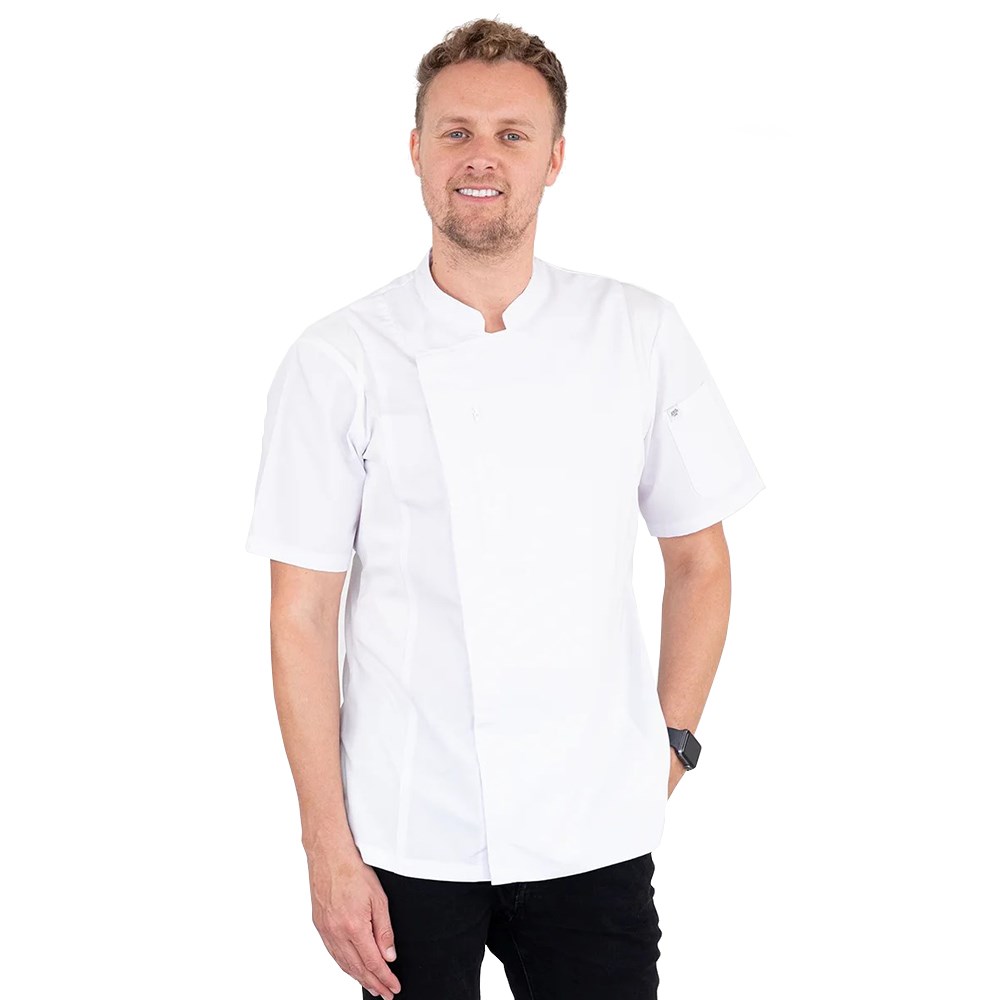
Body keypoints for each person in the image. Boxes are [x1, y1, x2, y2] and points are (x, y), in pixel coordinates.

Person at [245, 16, 765, 1000]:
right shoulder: (338, 358)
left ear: (554, 158)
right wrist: (325, 845)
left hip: (592, 831)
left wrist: (673, 745)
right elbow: (300, 612)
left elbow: (700, 557)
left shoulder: (638, 332)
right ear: (415, 150)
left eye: (512, 134)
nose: (480, 158)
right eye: (456, 132)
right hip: (405, 833)